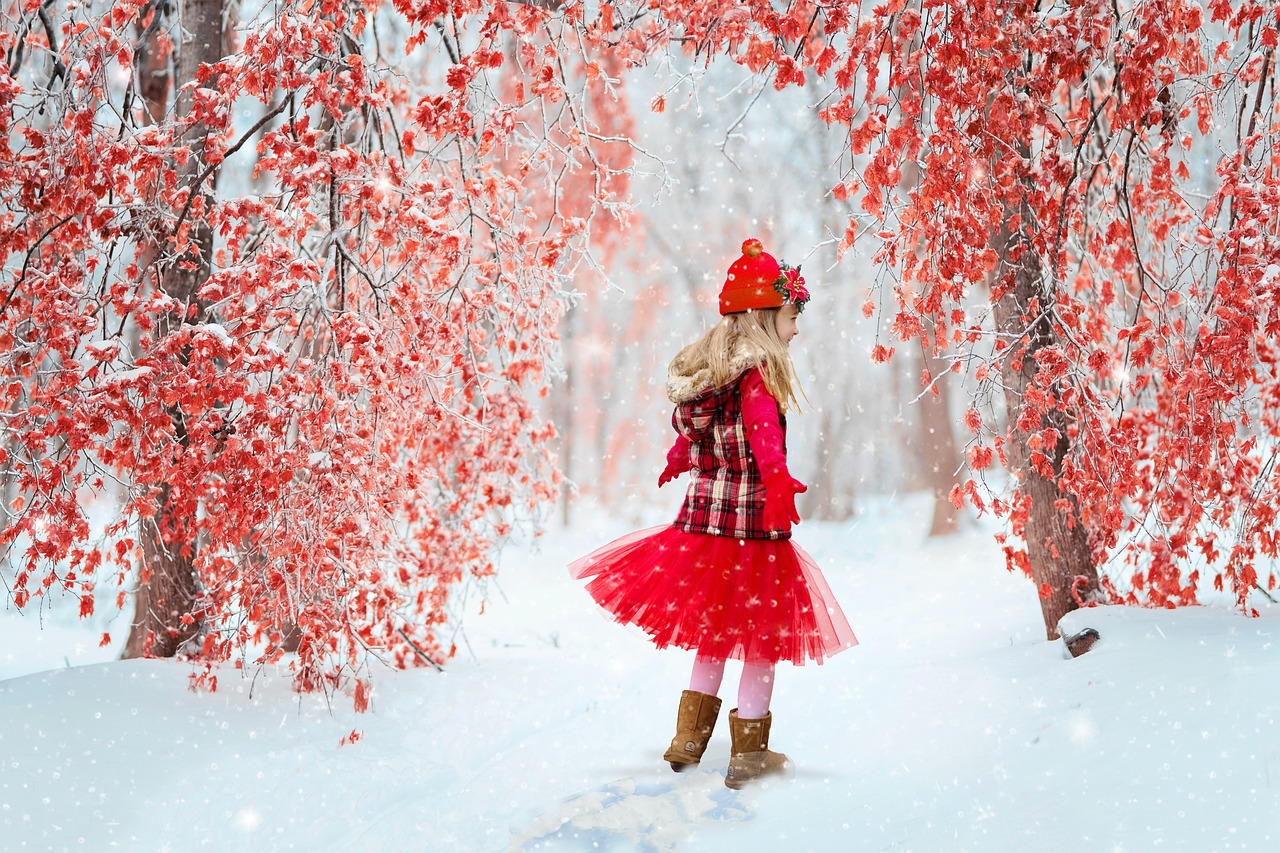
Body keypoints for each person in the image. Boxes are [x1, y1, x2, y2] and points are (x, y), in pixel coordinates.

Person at [568, 237, 857, 789]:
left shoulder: (713, 378)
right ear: (764, 318)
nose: (796, 330)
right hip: (752, 524)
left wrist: (680, 456)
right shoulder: (757, 377)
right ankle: (749, 756)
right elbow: (763, 432)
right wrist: (777, 479)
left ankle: (688, 741)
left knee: (714, 634)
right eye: (792, 318)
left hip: (705, 524)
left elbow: (699, 428)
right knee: (761, 640)